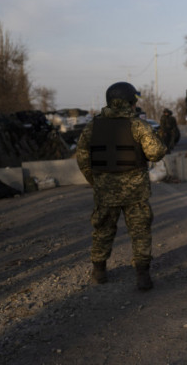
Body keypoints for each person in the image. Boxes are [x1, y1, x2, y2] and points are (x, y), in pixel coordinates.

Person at [76, 82, 167, 291]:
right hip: (135, 192)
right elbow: (155, 153)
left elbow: (82, 159)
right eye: (134, 101)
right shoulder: (138, 126)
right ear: (129, 102)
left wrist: (96, 182)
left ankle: (99, 272)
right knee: (140, 232)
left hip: (105, 192)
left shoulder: (92, 126)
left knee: (102, 231)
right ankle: (143, 277)